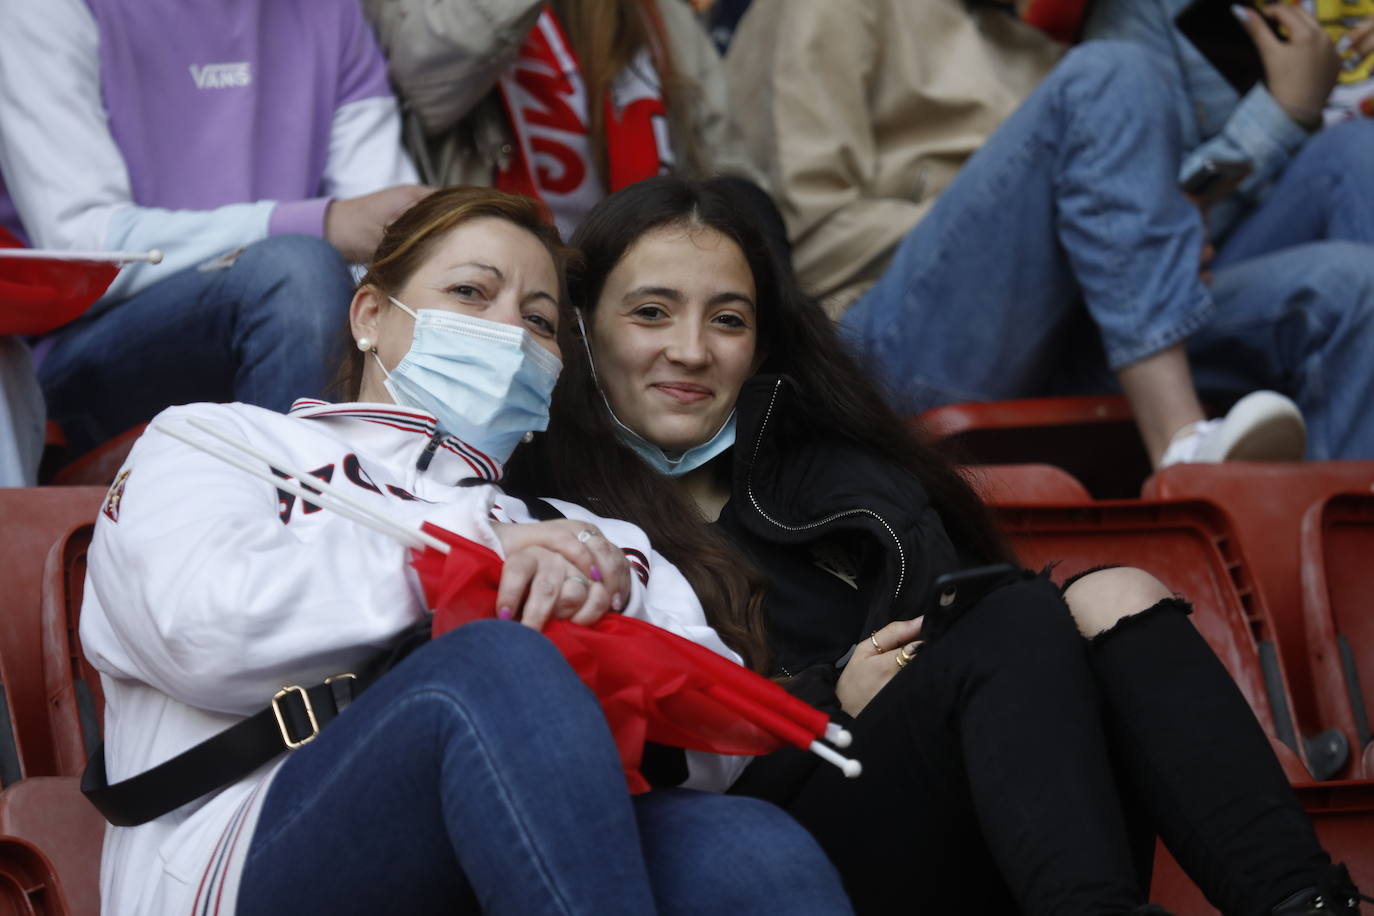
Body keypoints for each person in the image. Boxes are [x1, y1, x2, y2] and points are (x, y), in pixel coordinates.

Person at [507, 176, 1371, 915]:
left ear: (761, 342)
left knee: (1116, 596)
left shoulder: (846, 479)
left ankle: (1306, 905)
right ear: (583, 329)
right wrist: (829, 700)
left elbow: (995, 668)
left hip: (965, 807)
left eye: (726, 320)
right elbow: (627, 763)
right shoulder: (553, 512)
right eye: (651, 313)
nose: (690, 351)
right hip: (766, 843)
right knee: (1020, 616)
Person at [79, 186, 853, 915]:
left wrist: (602, 618)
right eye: (472, 295)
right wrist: (472, 563)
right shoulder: (217, 441)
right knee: (498, 665)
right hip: (233, 856)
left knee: (755, 850)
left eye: (541, 320)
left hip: (511, 841)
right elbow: (201, 631)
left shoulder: (591, 537)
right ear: (370, 315)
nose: (510, 331)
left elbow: (716, 755)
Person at [721, 0, 1374, 464]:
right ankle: (1181, 443)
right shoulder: (825, 9)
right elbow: (808, 236)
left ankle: (1337, 588)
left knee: (1354, 265)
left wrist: (1122, 214)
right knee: (1114, 74)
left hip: (1077, 331)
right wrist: (1038, 220)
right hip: (886, 339)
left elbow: (1131, 236)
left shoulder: (1034, 47)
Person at [0, 0, 429, 459]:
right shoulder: (41, 8)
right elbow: (80, 248)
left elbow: (387, 232)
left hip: (304, 324)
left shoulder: (331, 11)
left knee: (440, 295)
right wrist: (321, 224)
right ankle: (305, 517)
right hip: (83, 355)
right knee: (296, 274)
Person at [361, 0, 758, 238]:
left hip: (641, 297)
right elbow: (426, 78)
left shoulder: (661, 16)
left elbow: (726, 169)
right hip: (493, 300)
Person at [1082, 1, 1374, 269]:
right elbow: (1137, 238)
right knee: (1354, 149)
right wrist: (1282, 116)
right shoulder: (1149, 14)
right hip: (1227, 274)